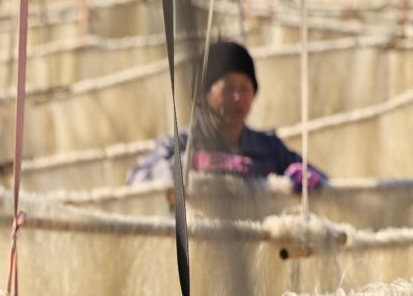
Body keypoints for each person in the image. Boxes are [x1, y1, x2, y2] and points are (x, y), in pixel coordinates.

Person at [128, 40, 328, 192]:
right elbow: (136, 181)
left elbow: (323, 180)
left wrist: (308, 179)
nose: (237, 97)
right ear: (203, 95)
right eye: (228, 88)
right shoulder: (179, 144)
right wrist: (191, 163)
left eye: (245, 88)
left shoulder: (269, 148)